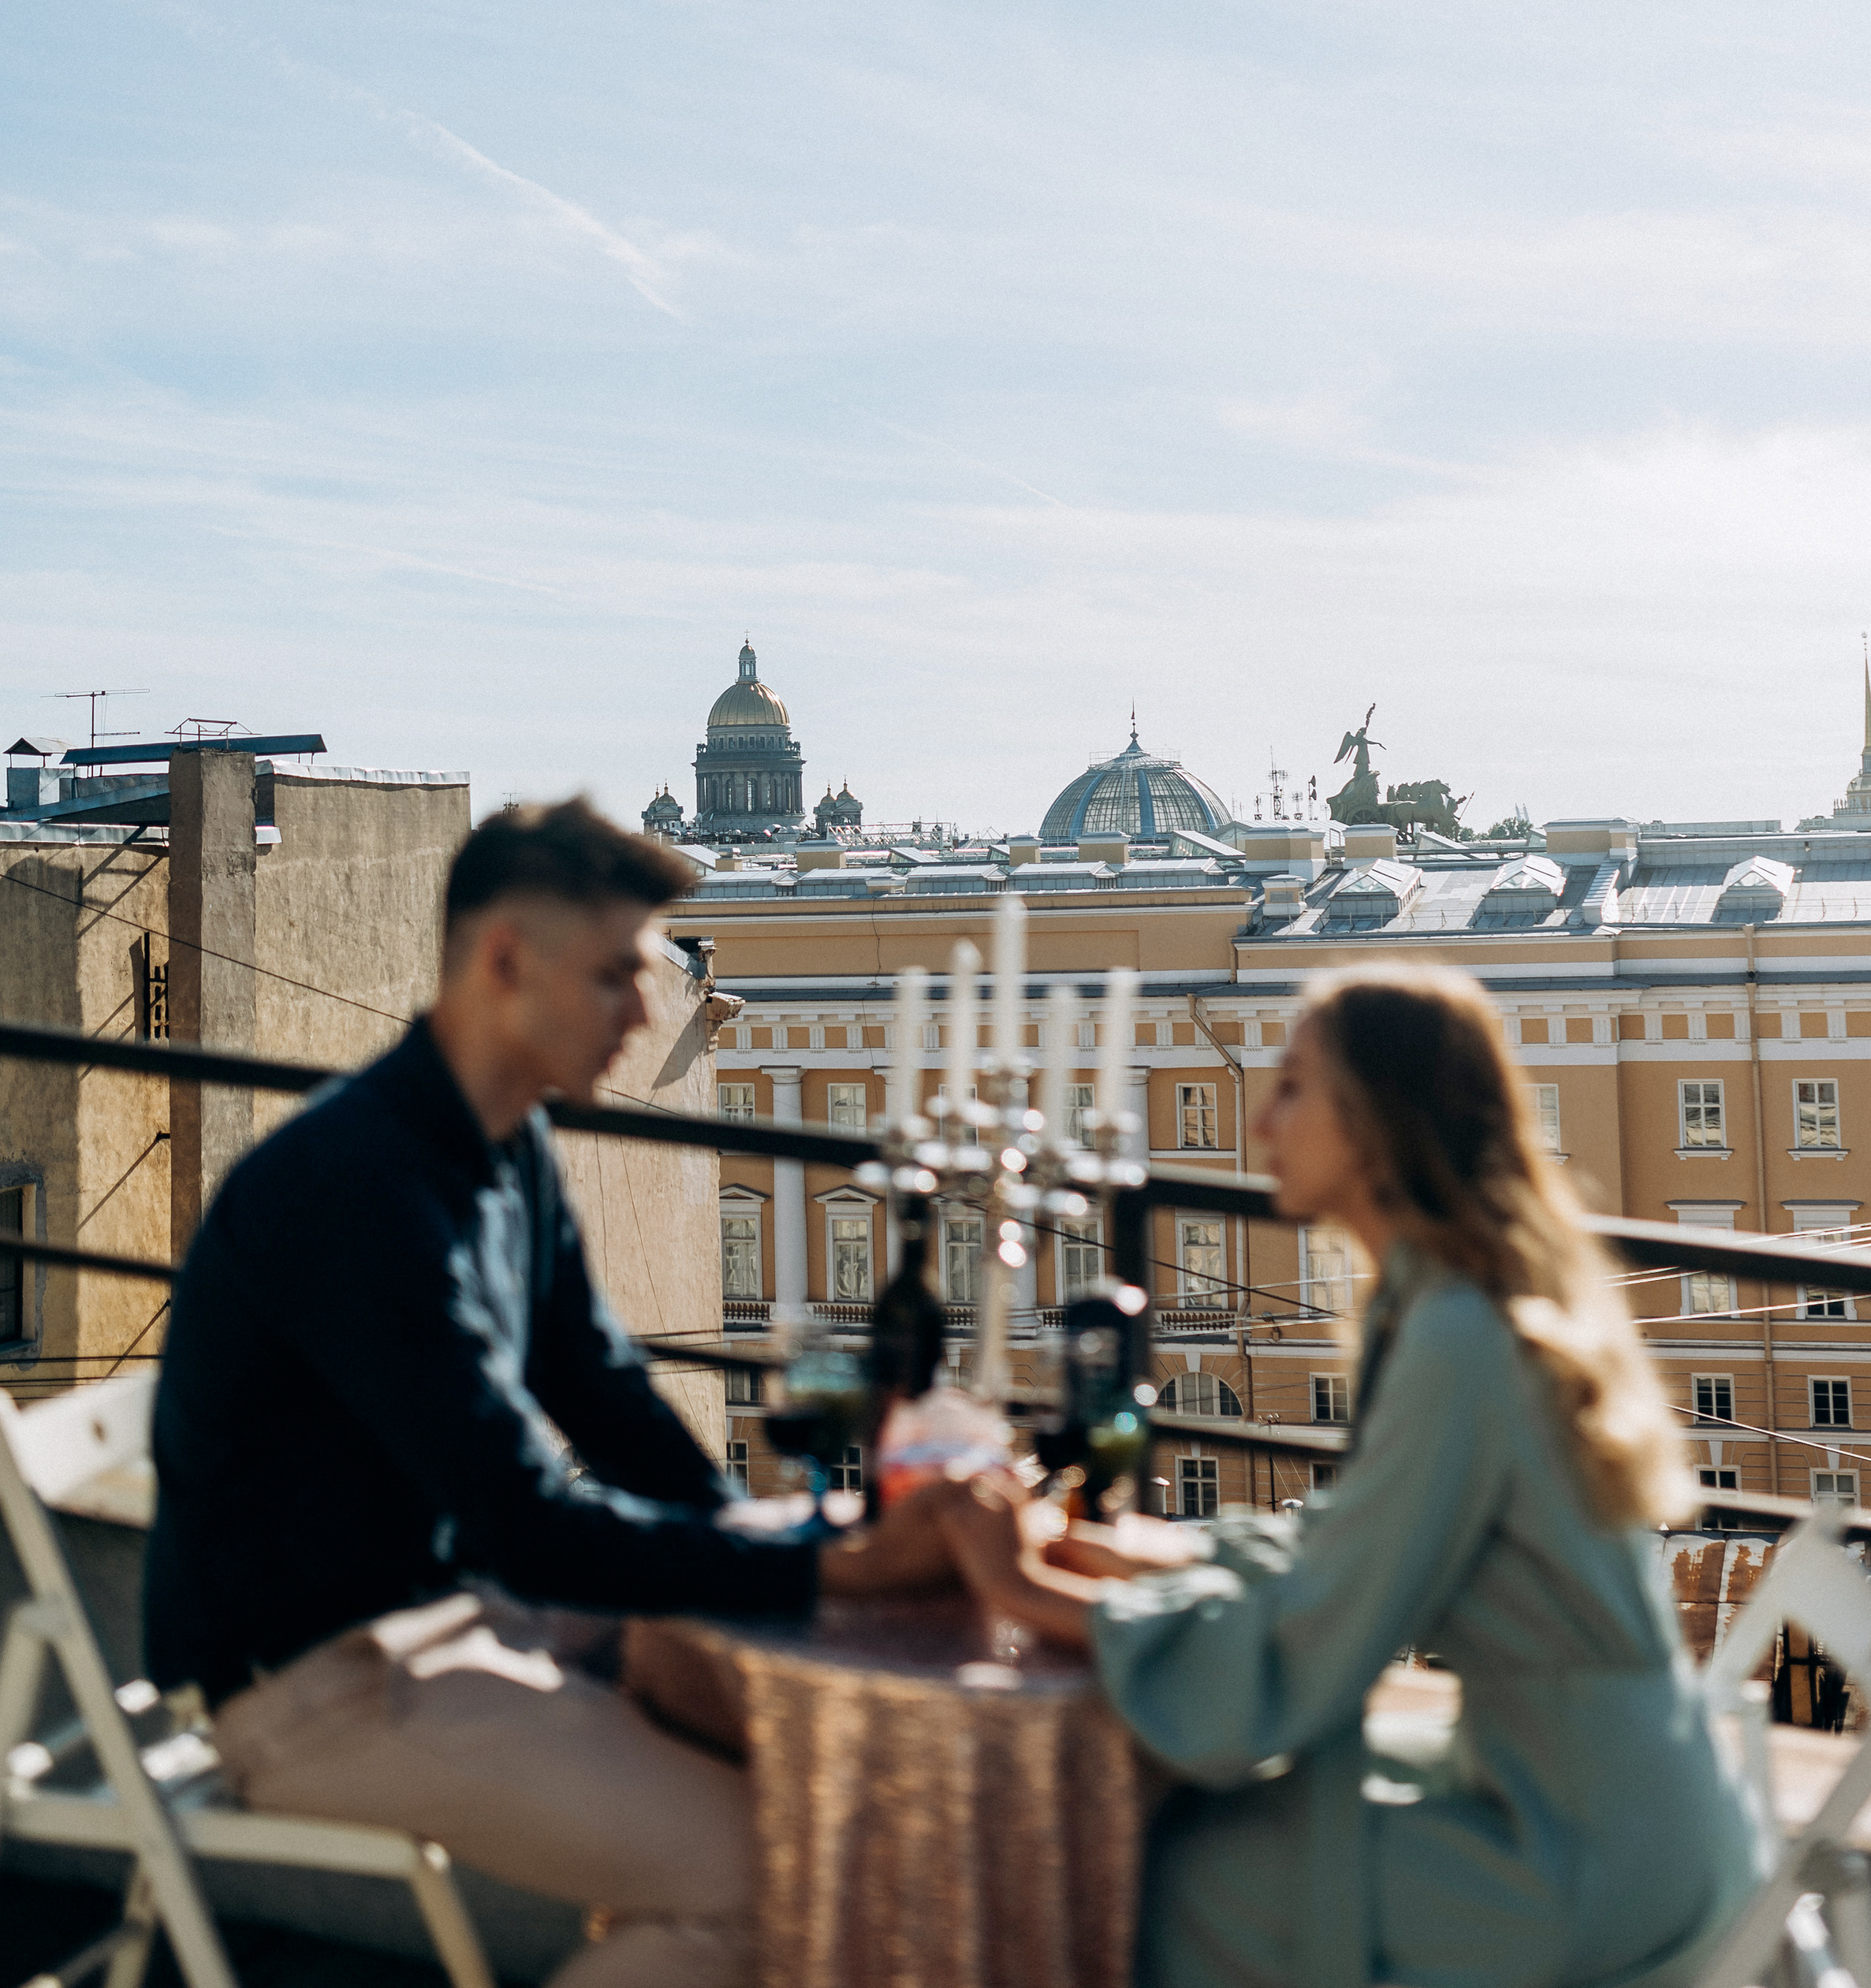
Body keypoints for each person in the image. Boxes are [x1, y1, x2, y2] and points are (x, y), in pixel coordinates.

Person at [145, 798, 955, 1988]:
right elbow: (520, 1517)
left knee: (819, 1789)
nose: (647, 1007)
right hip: (316, 1679)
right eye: (620, 973)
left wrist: (741, 1532)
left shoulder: (503, 1141)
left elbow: (605, 1392)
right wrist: (824, 1569)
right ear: (507, 962)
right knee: (762, 1877)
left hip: (452, 1606)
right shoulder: (358, 1190)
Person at [938, 963, 1769, 1988]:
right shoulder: (1439, 1304)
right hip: (1587, 1791)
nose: (1260, 1125)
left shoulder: (1454, 1336)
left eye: (1292, 1087)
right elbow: (1350, 1545)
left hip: (1589, 1856)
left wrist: (1026, 1590)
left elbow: (1320, 1637)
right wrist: (1148, 1551)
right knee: (1193, 1828)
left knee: (1188, 1874)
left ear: (1376, 1122)